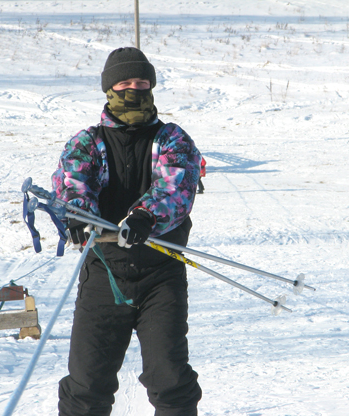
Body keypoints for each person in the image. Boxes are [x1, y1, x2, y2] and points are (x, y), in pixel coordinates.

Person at [51, 47, 203, 416]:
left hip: (160, 274)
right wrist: (77, 213)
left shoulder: (172, 139)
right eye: (124, 82)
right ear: (109, 88)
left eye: (141, 82)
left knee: (170, 379)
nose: (133, 88)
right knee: (87, 384)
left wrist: (145, 216)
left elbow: (176, 186)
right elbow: (72, 181)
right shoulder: (88, 142)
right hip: (104, 272)